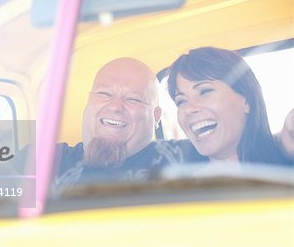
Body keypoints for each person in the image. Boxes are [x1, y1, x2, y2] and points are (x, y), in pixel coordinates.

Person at [51, 58, 204, 194]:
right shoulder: (43, 160)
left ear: (156, 116)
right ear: (88, 101)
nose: (115, 107)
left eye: (132, 99)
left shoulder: (187, 158)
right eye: (104, 94)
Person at [166, 46, 293, 165]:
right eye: (181, 101)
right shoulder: (175, 183)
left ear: (247, 101)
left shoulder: (285, 167)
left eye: (205, 91)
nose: (189, 109)